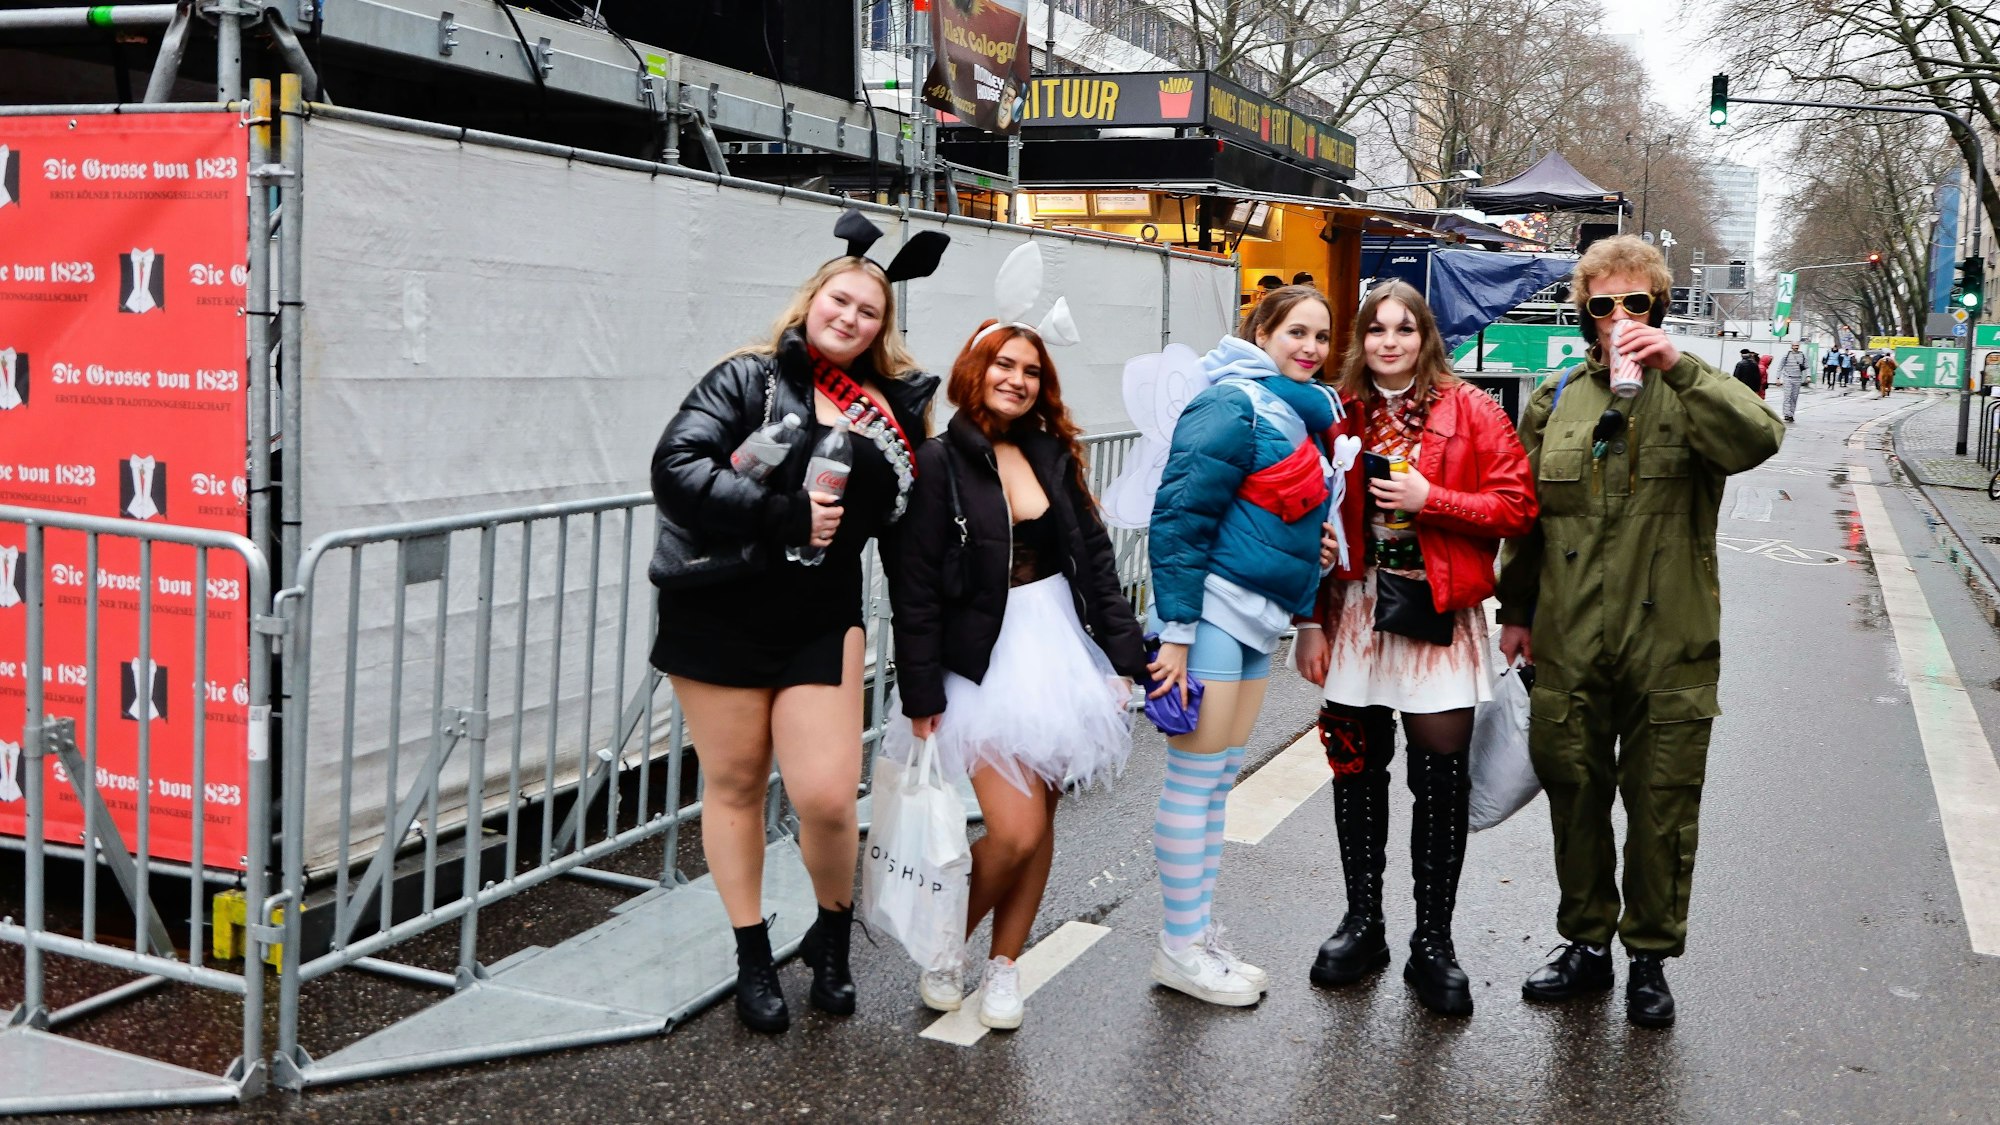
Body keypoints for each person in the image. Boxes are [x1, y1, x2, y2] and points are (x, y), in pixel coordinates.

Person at [649, 212, 946, 1033]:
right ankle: (752, 952)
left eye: (868, 312)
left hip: (820, 614)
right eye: (839, 301)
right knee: (737, 783)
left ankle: (833, 934)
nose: (849, 319)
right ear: (812, 299)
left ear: (882, 329)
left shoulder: (892, 409)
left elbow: (911, 535)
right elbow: (676, 470)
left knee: (822, 793)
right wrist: (783, 516)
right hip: (718, 608)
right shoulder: (744, 379)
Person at [1496, 234, 1783, 1029]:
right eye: (1604, 304)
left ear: (1660, 306)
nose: (1620, 317)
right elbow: (1530, 522)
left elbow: (1760, 438)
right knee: (1575, 795)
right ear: (1584, 312)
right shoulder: (1555, 399)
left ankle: (1649, 958)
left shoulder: (1695, 391)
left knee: (1661, 806)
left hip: (1670, 643)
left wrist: (1677, 368)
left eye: (1637, 303)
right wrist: (1514, 612)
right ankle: (1586, 944)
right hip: (1569, 637)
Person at [891, 316, 1148, 1031]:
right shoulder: (938, 460)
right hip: (982, 661)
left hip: (1061, 649)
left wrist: (1128, 656)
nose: (1017, 379)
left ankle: (1004, 965)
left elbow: (1095, 562)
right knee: (1013, 830)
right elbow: (913, 587)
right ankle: (946, 945)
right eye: (1004, 364)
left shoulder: (1051, 452)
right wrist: (919, 690)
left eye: (1031, 370)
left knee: (1042, 825)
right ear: (975, 370)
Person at [1293, 280, 1538, 1018]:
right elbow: (1299, 507)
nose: (1389, 341)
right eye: (1376, 329)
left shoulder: (1473, 409)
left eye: (1404, 328)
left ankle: (1434, 942)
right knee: (1356, 771)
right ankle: (1362, 923)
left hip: (1435, 611)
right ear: (1360, 340)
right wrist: (1310, 613)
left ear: (1425, 336)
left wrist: (1435, 500)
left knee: (1440, 785)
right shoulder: (1338, 411)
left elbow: (1519, 505)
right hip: (1356, 611)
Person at [1146, 284, 1344, 1007]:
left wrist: (1314, 549)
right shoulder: (1232, 402)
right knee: (1195, 782)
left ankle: (1195, 936)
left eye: (1321, 336)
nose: (1310, 347)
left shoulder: (1294, 411)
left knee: (1218, 780)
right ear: (1261, 332)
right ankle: (1179, 945)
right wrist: (1174, 632)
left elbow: (1266, 511)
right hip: (1213, 617)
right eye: (1296, 331)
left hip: (1257, 618)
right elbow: (1178, 516)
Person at [1776, 342, 1809, 422]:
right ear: (1791, 347)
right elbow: (1780, 367)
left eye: (1797, 346)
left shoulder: (1802, 356)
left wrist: (1808, 376)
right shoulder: (1786, 356)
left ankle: (1791, 414)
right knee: (1787, 396)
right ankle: (1786, 414)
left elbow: (1807, 367)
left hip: (1797, 378)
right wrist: (1778, 378)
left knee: (1794, 397)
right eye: (1794, 346)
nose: (1796, 347)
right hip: (1788, 378)